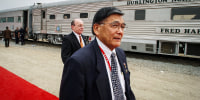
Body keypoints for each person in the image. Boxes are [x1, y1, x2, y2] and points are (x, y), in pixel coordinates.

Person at [59, 7, 136, 100]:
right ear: (96, 28)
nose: (120, 31)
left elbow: (126, 89)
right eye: (114, 25)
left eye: (122, 27)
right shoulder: (77, 62)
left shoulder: (120, 53)